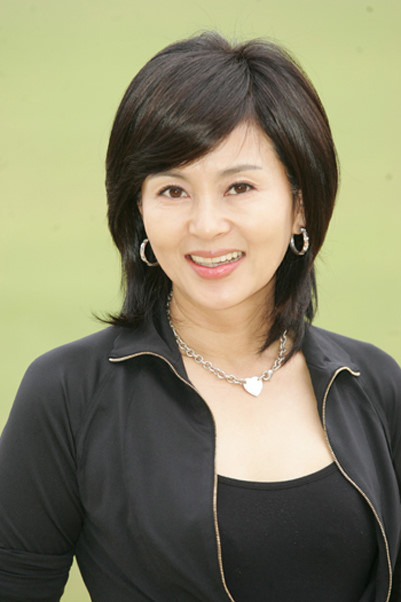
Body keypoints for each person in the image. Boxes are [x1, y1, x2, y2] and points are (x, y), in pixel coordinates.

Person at [0, 32, 400, 602]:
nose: (206, 225)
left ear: (300, 204)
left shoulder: (375, 385)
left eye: (239, 186)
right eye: (172, 191)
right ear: (138, 209)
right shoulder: (69, 394)